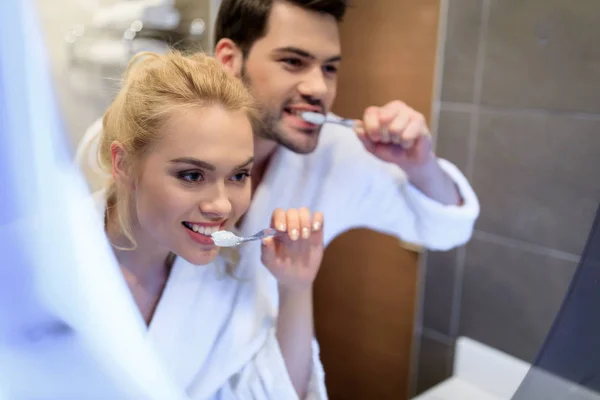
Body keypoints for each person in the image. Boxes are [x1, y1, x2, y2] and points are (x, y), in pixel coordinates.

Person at [95, 50, 329, 399]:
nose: (221, 205)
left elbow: (272, 393)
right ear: (124, 164)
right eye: (192, 175)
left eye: (238, 175)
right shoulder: (38, 266)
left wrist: (295, 287)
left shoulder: (226, 278)